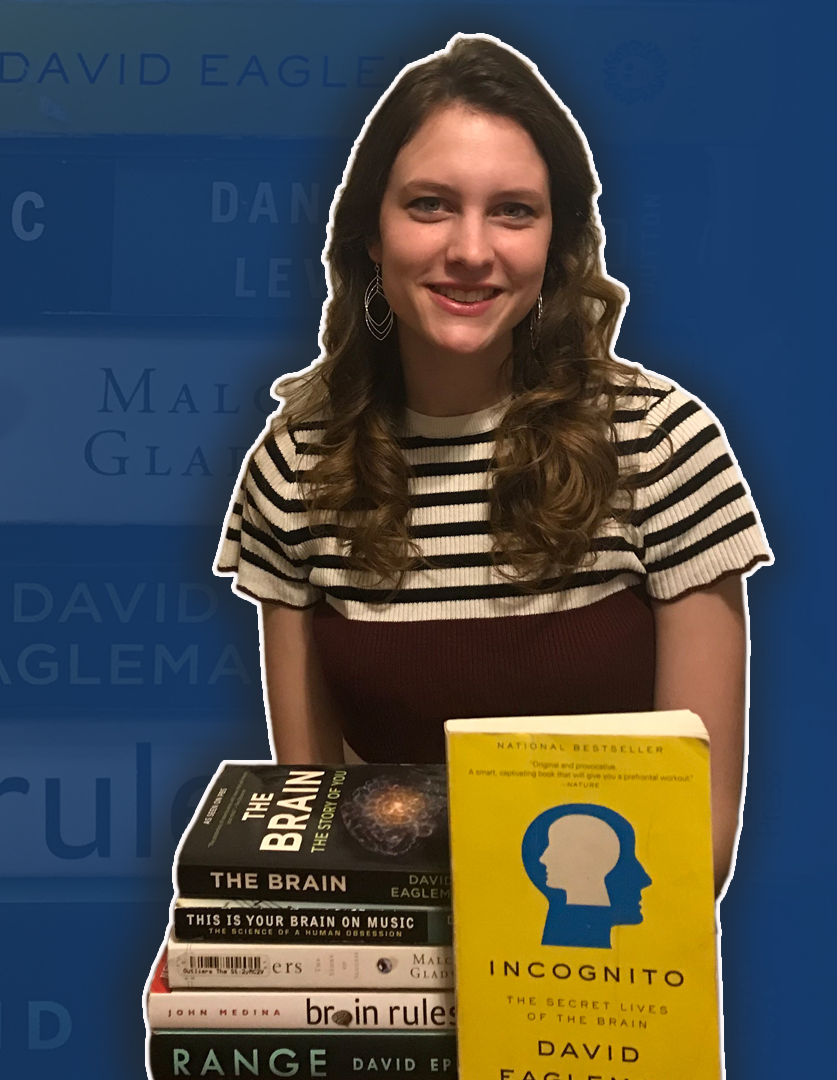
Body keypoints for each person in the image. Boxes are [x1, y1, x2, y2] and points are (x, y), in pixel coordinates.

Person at [212, 34, 769, 891]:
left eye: (513, 210)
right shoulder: (298, 465)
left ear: (557, 242)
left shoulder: (665, 445)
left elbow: (695, 838)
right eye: (431, 204)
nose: (472, 250)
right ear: (370, 234)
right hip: (388, 986)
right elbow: (317, 812)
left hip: (604, 971)